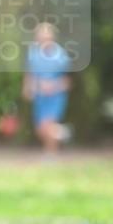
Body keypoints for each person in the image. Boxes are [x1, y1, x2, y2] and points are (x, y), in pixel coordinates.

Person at [22, 22, 72, 154]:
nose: (43, 40)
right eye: (40, 37)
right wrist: (27, 88)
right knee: (40, 129)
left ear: (52, 38)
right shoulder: (33, 54)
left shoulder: (61, 56)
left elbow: (67, 81)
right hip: (39, 95)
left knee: (47, 125)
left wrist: (53, 86)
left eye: (45, 37)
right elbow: (29, 74)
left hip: (56, 96)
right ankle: (63, 132)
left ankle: (50, 153)